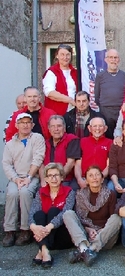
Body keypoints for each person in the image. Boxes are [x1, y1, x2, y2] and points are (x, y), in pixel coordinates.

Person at [63, 165, 121, 266]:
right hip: (85, 235)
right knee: (68, 214)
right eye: (91, 175)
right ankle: (85, 248)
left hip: (104, 236)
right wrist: (88, 230)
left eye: (97, 175)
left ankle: (87, 250)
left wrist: (99, 231)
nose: (94, 178)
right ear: (86, 180)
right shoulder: (80, 195)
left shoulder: (110, 194)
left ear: (102, 179)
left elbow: (112, 218)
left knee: (117, 217)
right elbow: (80, 218)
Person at [2, 113, 45, 247]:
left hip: (31, 176)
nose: (25, 125)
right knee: (12, 193)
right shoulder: (10, 144)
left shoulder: (37, 138)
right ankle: (10, 230)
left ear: (32, 125)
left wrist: (29, 177)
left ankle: (26, 229)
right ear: (16, 125)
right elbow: (6, 164)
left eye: (28, 122)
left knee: (25, 193)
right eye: (22, 122)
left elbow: (38, 158)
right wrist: (15, 179)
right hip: (16, 178)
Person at [29, 163, 75, 268]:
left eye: (56, 175)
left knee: (54, 211)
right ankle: (45, 252)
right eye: (50, 176)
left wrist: (49, 227)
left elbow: (65, 213)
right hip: (45, 236)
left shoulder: (69, 192)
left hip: (62, 237)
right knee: (39, 214)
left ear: (62, 177)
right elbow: (32, 213)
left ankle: (41, 251)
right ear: (46, 179)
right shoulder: (40, 192)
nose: (53, 178)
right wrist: (33, 227)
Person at [94, 49, 125, 138]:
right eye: (111, 57)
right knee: (107, 136)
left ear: (119, 60)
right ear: (106, 59)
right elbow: (97, 95)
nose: (113, 60)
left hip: (121, 110)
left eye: (115, 57)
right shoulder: (100, 76)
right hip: (106, 111)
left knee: (122, 135)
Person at [43, 115, 80, 190]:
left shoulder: (71, 139)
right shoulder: (45, 143)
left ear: (64, 128)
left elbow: (70, 163)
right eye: (53, 126)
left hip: (65, 179)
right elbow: (41, 163)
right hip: (48, 179)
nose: (56, 129)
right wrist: (44, 179)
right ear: (49, 129)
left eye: (59, 126)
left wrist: (57, 178)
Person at [74, 117, 112, 189]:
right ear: (89, 128)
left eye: (100, 126)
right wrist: (79, 179)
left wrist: (100, 178)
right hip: (84, 178)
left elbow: (109, 165)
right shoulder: (82, 142)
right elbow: (78, 164)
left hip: (102, 178)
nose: (97, 129)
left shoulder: (110, 143)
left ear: (105, 128)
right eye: (95, 126)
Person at [42, 44, 77, 116]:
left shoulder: (75, 72)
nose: (65, 57)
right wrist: (70, 100)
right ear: (57, 55)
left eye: (68, 55)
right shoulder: (51, 72)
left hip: (73, 113)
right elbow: (50, 93)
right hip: (56, 113)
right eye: (62, 54)